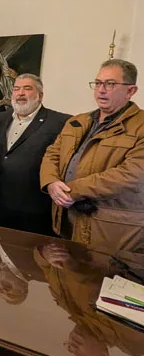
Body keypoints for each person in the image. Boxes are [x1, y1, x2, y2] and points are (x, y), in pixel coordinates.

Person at [41, 59, 144, 254]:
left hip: (111, 228)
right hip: (67, 217)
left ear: (131, 91)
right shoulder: (78, 121)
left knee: (100, 270)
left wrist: (72, 191)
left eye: (110, 84)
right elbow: (52, 153)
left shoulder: (141, 126)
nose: (101, 90)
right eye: (98, 83)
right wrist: (51, 183)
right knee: (66, 269)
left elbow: (132, 174)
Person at [0, 74, 69, 235]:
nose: (20, 93)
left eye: (27, 88)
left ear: (40, 95)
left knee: (30, 250)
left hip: (34, 207)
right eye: (16, 89)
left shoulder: (59, 122)